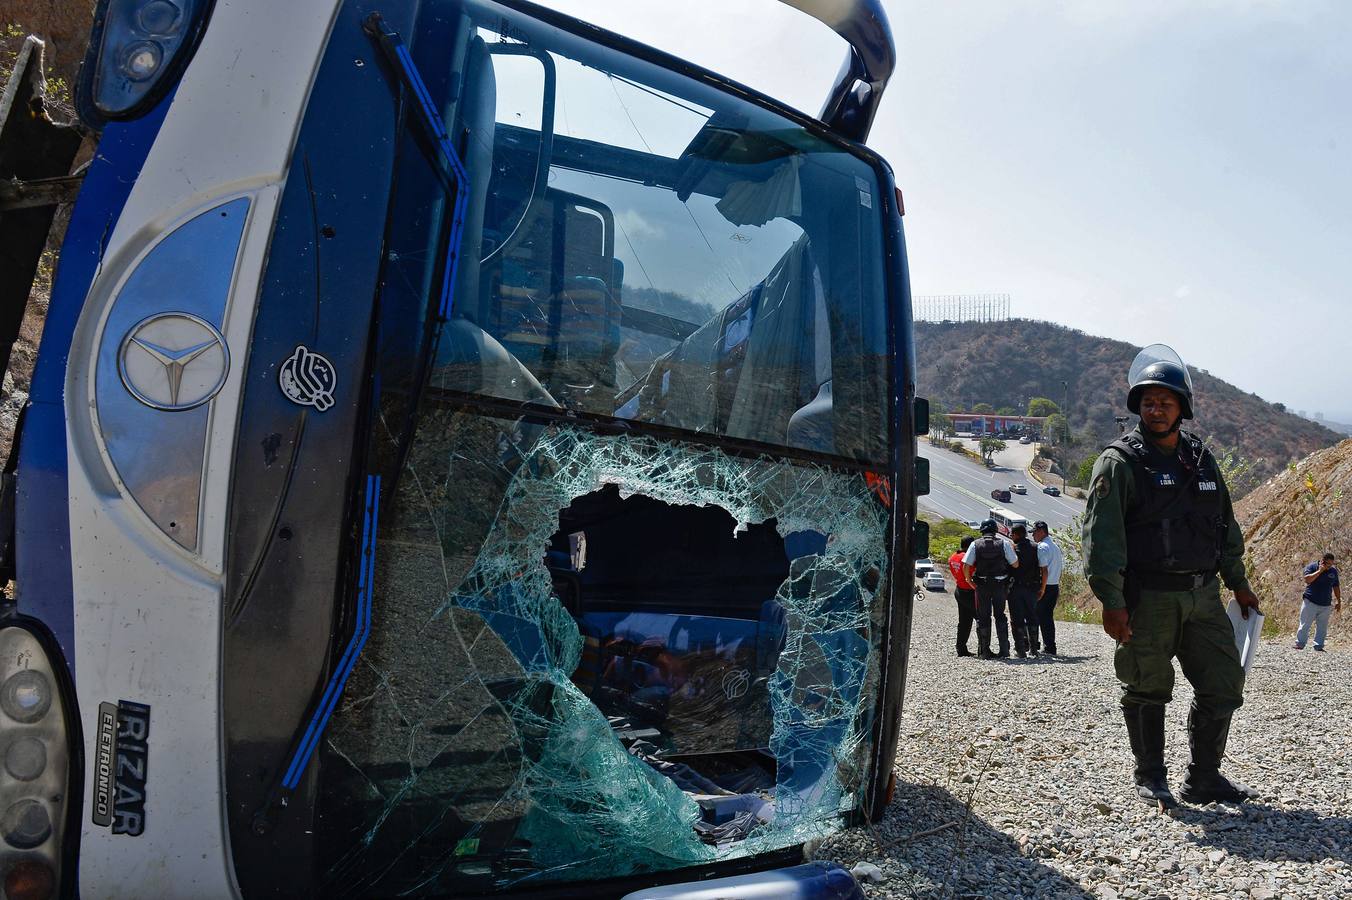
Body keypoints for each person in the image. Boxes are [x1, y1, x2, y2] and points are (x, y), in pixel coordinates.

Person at [1083, 344, 1261, 809]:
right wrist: (1112, 601)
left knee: (1224, 684)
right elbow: (1102, 540)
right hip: (1149, 599)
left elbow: (1224, 524)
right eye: (1147, 400)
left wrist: (1238, 582)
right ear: (1137, 406)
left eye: (1165, 400)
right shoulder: (1119, 462)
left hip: (1203, 595)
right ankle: (1151, 776)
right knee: (1147, 686)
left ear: (1183, 406)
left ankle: (1203, 778)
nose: (1156, 407)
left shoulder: (1200, 458)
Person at [962, 520, 1018, 659]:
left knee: (983, 617)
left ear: (982, 530)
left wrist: (969, 581)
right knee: (1000, 616)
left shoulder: (975, 544)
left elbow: (966, 565)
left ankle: (984, 651)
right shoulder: (1004, 544)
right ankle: (1004, 651)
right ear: (995, 530)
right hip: (1000, 585)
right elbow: (1015, 564)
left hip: (982, 586)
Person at [1008, 524, 1043, 657]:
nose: (1012, 536)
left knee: (1017, 619)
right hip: (1032, 588)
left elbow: (1009, 567)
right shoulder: (1036, 547)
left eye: (1012, 534)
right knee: (1032, 618)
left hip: (1016, 588)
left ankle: (1020, 650)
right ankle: (1034, 650)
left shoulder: (1013, 549)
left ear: (1017, 535)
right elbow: (1041, 567)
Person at [1294, 553, 1340, 651]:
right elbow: (1307, 579)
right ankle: (1300, 643)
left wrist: (1338, 600)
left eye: (1331, 564)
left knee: (1322, 627)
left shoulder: (1333, 571)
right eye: (1328, 564)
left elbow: (1336, 586)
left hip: (1326, 604)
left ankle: (1319, 645)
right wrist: (1319, 571)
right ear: (1322, 561)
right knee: (1305, 624)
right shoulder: (1312, 567)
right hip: (1310, 601)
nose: (1329, 566)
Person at [1032, 521, 1064, 655]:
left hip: (1045, 586)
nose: (1033, 536)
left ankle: (1037, 645)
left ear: (1041, 531)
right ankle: (1050, 646)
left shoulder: (1042, 547)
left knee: (1035, 616)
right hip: (1054, 585)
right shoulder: (1055, 546)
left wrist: (1042, 589)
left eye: (1034, 532)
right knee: (1047, 617)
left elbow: (1043, 570)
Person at [949, 536, 978, 657]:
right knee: (981, 619)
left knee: (964, 622)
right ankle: (984, 649)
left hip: (959, 590)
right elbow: (973, 571)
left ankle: (961, 649)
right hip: (970, 591)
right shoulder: (967, 558)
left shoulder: (953, 557)